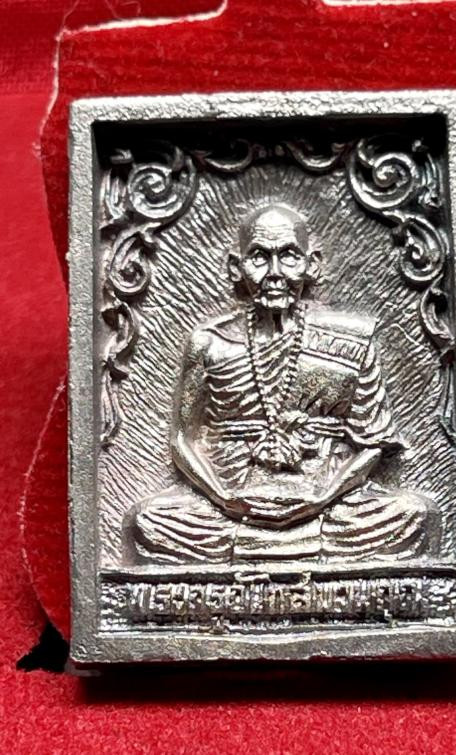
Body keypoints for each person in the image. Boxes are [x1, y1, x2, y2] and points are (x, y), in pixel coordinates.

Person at [129, 204, 439, 563]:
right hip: (230, 503)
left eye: (289, 256)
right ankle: (288, 550)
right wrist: (223, 498)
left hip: (328, 501)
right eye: (260, 257)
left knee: (412, 515)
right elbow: (183, 440)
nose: (275, 273)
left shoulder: (350, 341)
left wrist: (321, 498)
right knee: (148, 521)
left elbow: (372, 444)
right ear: (236, 267)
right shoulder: (210, 343)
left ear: (312, 264)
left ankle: (272, 549)